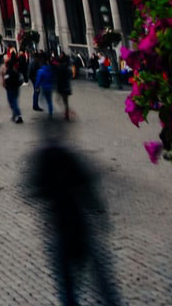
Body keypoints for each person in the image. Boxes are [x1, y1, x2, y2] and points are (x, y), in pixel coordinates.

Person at [25, 119, 123, 305]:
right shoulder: (69, 155)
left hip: (59, 227)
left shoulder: (41, 158)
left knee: (67, 285)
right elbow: (88, 188)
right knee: (102, 282)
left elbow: (32, 190)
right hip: (80, 225)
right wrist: (100, 215)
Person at [4, 53, 27, 124]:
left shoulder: (8, 72)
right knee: (14, 102)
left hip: (10, 89)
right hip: (16, 89)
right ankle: (15, 115)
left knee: (13, 103)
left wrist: (7, 85)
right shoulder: (15, 72)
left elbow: (6, 80)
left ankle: (18, 116)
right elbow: (20, 80)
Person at [54, 53, 75, 121]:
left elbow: (56, 77)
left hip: (61, 86)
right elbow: (70, 75)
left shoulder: (59, 68)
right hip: (67, 86)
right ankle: (67, 113)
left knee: (59, 100)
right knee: (65, 101)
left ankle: (67, 113)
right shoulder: (67, 68)